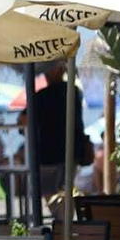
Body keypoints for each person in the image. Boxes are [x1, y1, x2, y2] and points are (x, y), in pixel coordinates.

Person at [27, 61, 85, 201]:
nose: (46, 74)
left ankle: (59, 219)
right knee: (64, 191)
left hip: (49, 154)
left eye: (48, 70)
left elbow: (24, 119)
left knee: (51, 191)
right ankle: (62, 220)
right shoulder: (74, 92)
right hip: (71, 151)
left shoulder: (43, 95)